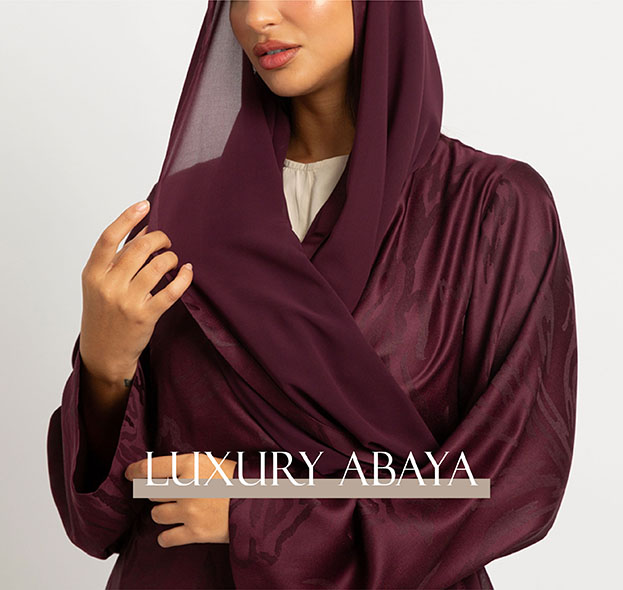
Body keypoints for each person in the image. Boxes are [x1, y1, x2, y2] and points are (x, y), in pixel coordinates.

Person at [46, 1, 578, 589]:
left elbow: (514, 481)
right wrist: (104, 367)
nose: (257, 17)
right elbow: (97, 524)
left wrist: (259, 515)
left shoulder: (490, 209)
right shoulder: (183, 214)